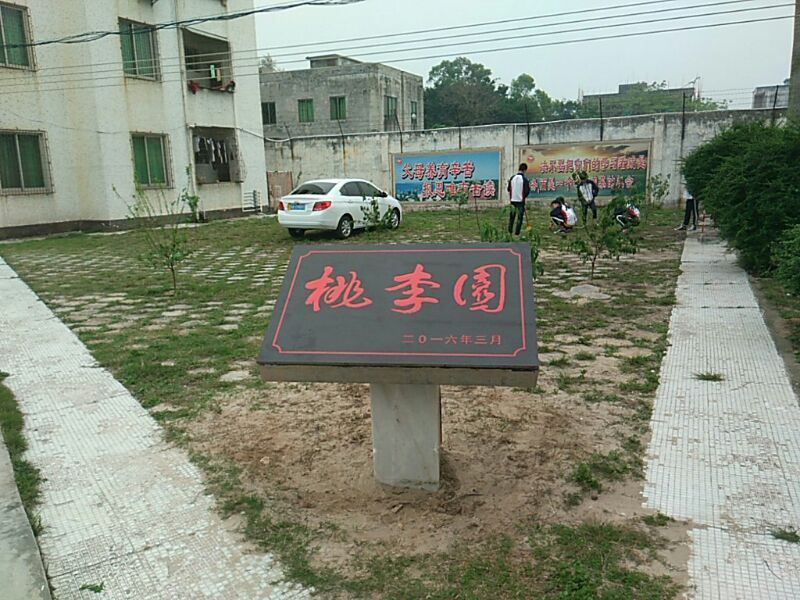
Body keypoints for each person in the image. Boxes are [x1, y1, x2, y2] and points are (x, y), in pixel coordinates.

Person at [507, 163, 530, 236]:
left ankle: (510, 231)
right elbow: (527, 191)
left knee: (512, 217)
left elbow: (508, 189)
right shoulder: (524, 179)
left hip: (512, 200)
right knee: (519, 218)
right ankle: (517, 233)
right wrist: (524, 197)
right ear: (525, 170)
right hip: (520, 201)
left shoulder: (512, 178)